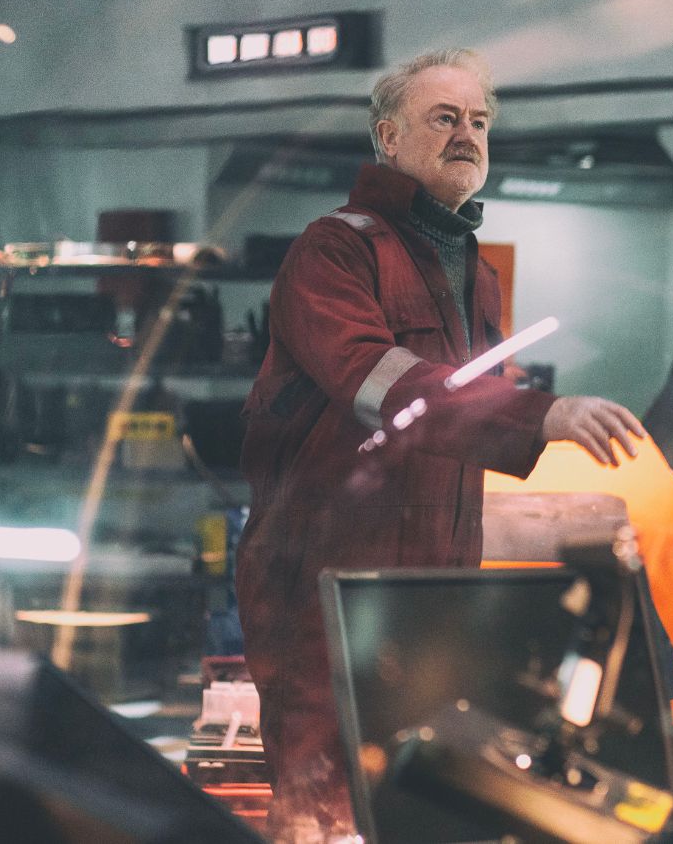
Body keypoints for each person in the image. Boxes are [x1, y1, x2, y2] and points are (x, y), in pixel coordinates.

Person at [235, 48, 645, 838]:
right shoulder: (335, 249)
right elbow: (377, 382)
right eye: (444, 118)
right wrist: (540, 415)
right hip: (327, 584)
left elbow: (459, 411)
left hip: (431, 589)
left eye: (480, 121)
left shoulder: (470, 269)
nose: (468, 135)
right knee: (325, 815)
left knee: (417, 807)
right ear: (387, 138)